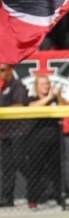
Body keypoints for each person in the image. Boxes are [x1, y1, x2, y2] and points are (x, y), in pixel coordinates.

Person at [26, 74, 68, 210]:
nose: (46, 86)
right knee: (35, 171)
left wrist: (58, 96)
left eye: (47, 83)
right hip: (36, 140)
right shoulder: (32, 98)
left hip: (54, 139)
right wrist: (49, 97)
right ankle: (33, 200)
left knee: (57, 170)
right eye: (43, 84)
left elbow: (66, 107)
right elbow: (32, 107)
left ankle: (59, 198)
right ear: (36, 86)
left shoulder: (54, 99)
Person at [0, 63, 31, 208]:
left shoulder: (17, 85)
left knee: (20, 163)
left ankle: (38, 189)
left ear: (10, 70)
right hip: (5, 133)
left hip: (18, 132)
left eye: (3, 70)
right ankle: (7, 198)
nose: (1, 73)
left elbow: (19, 105)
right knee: (6, 167)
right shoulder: (3, 88)